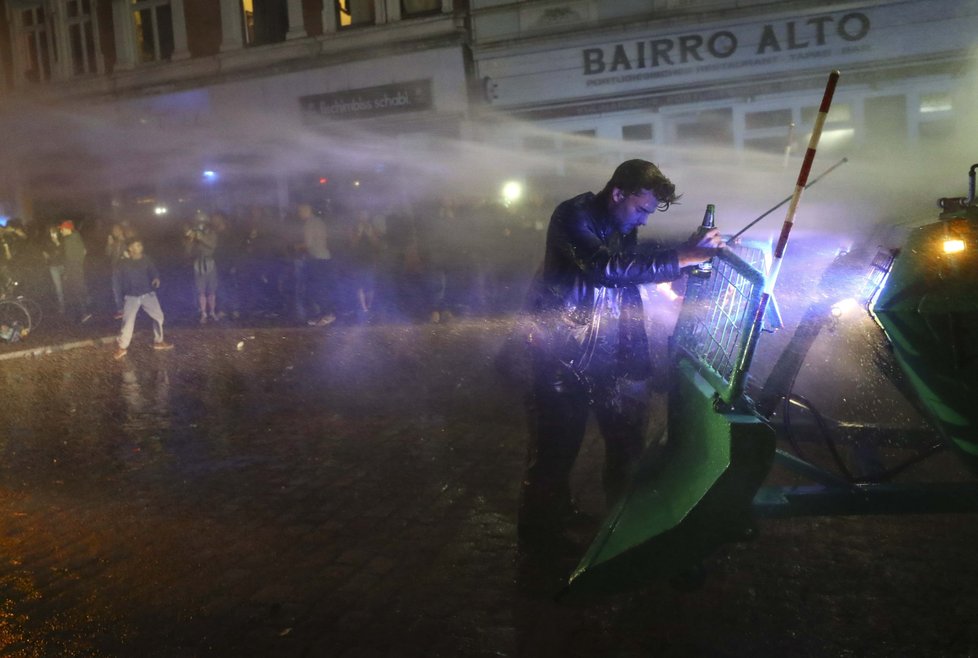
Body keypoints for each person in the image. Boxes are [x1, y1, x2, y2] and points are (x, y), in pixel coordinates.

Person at [517, 159, 724, 549]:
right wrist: (683, 257)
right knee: (554, 454)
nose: (644, 220)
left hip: (606, 353)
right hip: (561, 356)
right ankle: (539, 540)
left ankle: (618, 530)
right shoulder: (571, 215)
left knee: (626, 448)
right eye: (642, 209)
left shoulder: (618, 223)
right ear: (617, 194)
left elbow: (634, 262)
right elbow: (605, 268)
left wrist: (687, 249)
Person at [113, 238, 173, 359]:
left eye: (140, 245)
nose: (139, 248)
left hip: (147, 294)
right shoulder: (123, 263)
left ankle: (158, 341)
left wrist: (156, 278)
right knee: (127, 323)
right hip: (131, 297)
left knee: (159, 316)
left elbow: (153, 270)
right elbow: (117, 283)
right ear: (130, 248)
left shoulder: (146, 259)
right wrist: (119, 304)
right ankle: (122, 347)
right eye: (136, 246)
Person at [184, 211, 219, 324]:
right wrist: (190, 240)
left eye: (203, 222)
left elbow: (212, 245)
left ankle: (212, 312)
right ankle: (203, 313)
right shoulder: (193, 234)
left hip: (209, 263)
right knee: (201, 290)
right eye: (198, 222)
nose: (200, 224)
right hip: (198, 263)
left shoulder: (211, 233)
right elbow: (188, 252)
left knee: (212, 290)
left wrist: (201, 238)